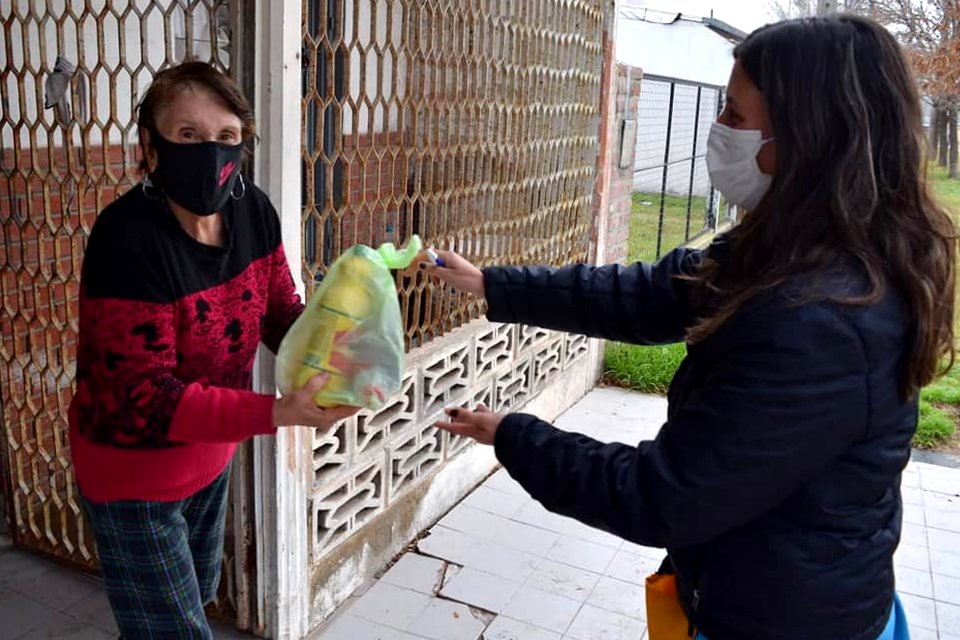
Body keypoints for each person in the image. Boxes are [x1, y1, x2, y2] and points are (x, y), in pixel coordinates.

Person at [420, 15, 955, 640]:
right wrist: (492, 285)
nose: (719, 129)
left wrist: (515, 436)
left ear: (804, 139)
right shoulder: (797, 246)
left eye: (734, 114)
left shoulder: (821, 322)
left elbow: (663, 497)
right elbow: (653, 294)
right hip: (770, 587)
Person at [69, 61, 356, 639]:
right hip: (132, 473)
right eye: (188, 134)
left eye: (226, 135)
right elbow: (144, 396)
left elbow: (279, 310)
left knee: (188, 606)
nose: (211, 152)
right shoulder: (126, 239)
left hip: (209, 455)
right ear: (150, 147)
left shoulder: (253, 211)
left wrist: (336, 352)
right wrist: (278, 411)